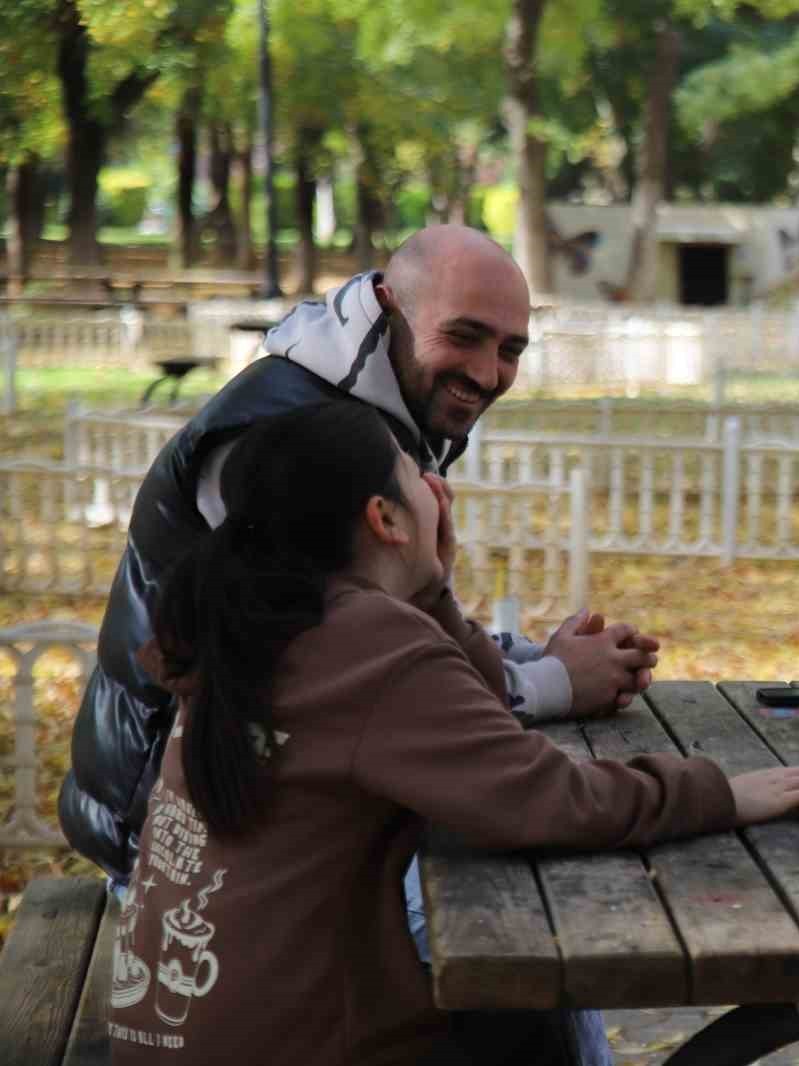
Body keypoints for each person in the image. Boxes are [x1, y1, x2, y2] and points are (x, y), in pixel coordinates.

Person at [106, 403, 799, 1066]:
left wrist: (433, 586)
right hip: (287, 1043)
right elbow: (548, 800)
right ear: (384, 518)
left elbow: (474, 719)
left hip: (176, 1029)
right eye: (417, 470)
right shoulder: (365, 642)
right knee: (531, 1022)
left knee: (517, 1021)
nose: (436, 483)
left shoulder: (264, 624)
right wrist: (717, 793)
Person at [60, 224, 655, 889]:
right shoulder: (282, 435)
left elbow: (391, 623)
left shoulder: (366, 406)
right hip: (178, 843)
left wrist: (533, 661)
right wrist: (555, 685)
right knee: (527, 909)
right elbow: (345, 677)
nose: (488, 375)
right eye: (463, 337)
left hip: (260, 807)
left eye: (510, 349)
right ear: (389, 307)